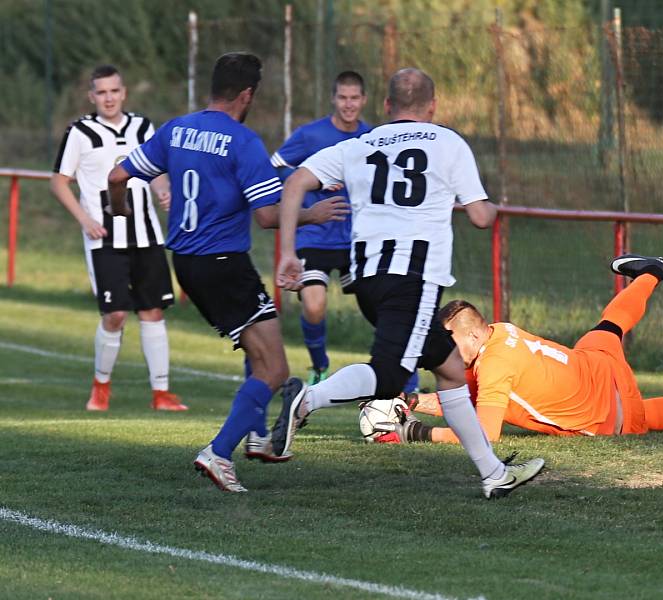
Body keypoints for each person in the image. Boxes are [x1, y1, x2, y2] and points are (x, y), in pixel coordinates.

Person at [273, 67, 546, 500]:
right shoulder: (447, 141)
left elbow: (294, 184)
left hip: (365, 278)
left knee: (451, 368)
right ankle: (306, 400)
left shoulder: (358, 144)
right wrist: (494, 207)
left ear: (385, 107)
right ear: (433, 107)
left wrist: (288, 250)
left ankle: (493, 473)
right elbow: (479, 216)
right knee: (389, 375)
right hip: (412, 278)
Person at [106, 52, 348, 493]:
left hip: (187, 264)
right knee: (275, 368)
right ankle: (219, 453)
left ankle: (257, 438)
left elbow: (117, 175)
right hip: (224, 265)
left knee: (260, 356)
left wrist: (118, 212)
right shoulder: (243, 142)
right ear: (247, 94)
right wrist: (315, 215)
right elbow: (268, 217)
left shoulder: (177, 128)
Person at [374, 254, 663, 443]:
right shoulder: (500, 331)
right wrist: (410, 400)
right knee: (608, 328)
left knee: (641, 418)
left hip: (606, 413)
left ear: (473, 336)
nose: (446, 353)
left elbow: (486, 433)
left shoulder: (494, 366)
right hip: (594, 365)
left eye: (449, 342)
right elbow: (473, 397)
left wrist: (416, 433)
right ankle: (653, 273)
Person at [269, 71, 420, 392]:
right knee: (313, 304)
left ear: (364, 100)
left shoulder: (374, 137)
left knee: (384, 308)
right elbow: (276, 166)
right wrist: (313, 178)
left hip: (358, 240)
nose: (348, 104)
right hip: (315, 235)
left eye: (354, 98)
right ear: (333, 99)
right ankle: (320, 366)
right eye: (342, 98)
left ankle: (409, 380)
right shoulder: (310, 136)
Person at [51, 64, 186, 412]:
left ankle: (161, 393)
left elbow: (154, 171)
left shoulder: (142, 126)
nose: (109, 98)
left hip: (147, 235)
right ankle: (101, 387)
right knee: (115, 315)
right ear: (92, 96)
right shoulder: (80, 132)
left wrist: (163, 191)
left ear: (123, 93)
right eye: (102, 92)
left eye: (114, 91)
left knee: (153, 310)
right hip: (106, 238)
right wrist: (85, 220)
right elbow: (59, 182)